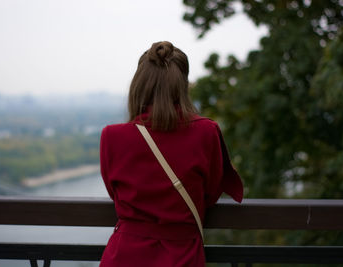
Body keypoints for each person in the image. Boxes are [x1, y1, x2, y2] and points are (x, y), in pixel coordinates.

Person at [99, 41, 243, 267]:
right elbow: (212, 192)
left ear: (139, 86)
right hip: (182, 255)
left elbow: (115, 192)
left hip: (124, 256)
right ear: (182, 85)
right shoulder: (207, 132)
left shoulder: (112, 136)